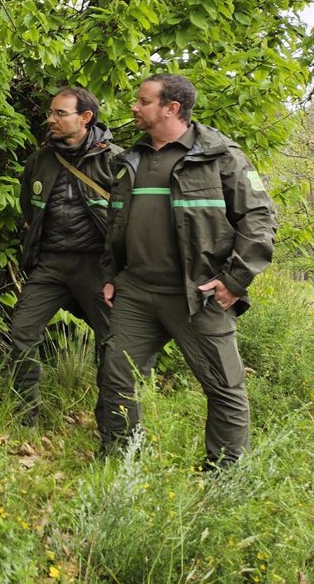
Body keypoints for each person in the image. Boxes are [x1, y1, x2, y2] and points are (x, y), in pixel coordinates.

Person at [97, 74, 275, 468]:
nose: (134, 107)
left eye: (143, 101)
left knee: (224, 385)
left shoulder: (221, 156)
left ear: (171, 108)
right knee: (116, 379)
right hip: (136, 293)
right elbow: (117, 222)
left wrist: (234, 280)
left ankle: (225, 475)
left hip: (199, 295)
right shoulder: (131, 159)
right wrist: (111, 274)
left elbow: (259, 219)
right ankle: (119, 466)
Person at [9, 86, 121, 425]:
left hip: (97, 266)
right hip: (50, 264)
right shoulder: (39, 161)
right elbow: (29, 208)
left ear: (85, 117)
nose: (51, 119)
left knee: (112, 342)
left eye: (60, 113)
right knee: (21, 332)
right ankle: (25, 417)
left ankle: (112, 424)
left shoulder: (115, 160)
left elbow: (131, 219)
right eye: (51, 112)